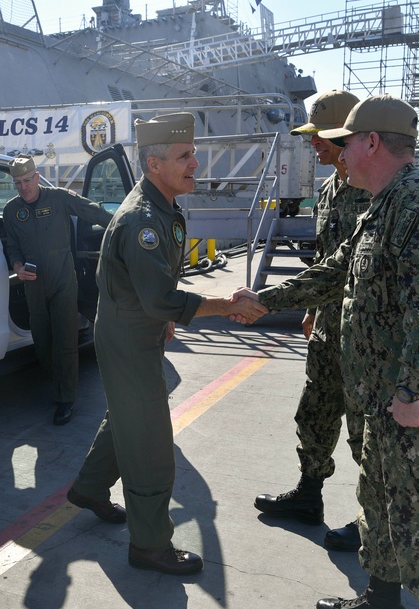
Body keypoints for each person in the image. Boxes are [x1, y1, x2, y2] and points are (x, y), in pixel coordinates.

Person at [245, 95, 419, 609]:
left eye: (347, 140)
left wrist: (411, 391)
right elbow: (337, 272)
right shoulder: (382, 206)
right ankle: (383, 604)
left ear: (372, 143)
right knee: (378, 504)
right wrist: (264, 300)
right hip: (381, 397)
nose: (337, 151)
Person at [66, 112, 268, 575]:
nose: (195, 162)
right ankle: (150, 545)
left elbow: (154, 288)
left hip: (140, 328)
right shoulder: (144, 220)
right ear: (155, 164)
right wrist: (226, 305)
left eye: (192, 153)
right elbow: (159, 298)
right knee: (151, 443)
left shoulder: (162, 207)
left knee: (127, 418)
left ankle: (90, 488)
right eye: (185, 156)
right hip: (130, 337)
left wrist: (167, 318)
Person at [252, 90, 371, 553]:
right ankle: (308, 494)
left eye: (319, 137)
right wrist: (310, 309)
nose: (313, 146)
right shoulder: (328, 191)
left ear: (347, 136)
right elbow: (324, 260)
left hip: (366, 335)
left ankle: (371, 522)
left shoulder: (378, 190)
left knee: (367, 433)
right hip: (327, 328)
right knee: (316, 412)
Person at [2, 155, 113, 426]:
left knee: (65, 340)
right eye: (18, 183)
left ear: (37, 177)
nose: (24, 187)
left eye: (28, 180)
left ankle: (65, 398)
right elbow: (13, 246)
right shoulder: (11, 210)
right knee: (42, 341)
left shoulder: (60, 198)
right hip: (33, 283)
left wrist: (124, 226)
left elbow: (94, 212)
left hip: (63, 279)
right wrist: (17, 265)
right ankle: (60, 380)